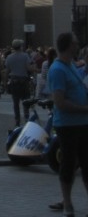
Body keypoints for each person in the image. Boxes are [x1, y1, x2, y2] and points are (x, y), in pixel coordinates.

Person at [47, 32, 88, 217]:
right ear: (68, 46)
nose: (78, 45)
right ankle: (68, 204)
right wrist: (84, 108)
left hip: (83, 123)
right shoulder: (57, 70)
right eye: (75, 42)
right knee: (68, 164)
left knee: (86, 164)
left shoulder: (71, 65)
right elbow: (60, 102)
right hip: (68, 125)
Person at [5, 39, 36, 127]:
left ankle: (17, 120)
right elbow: (28, 68)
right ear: (21, 47)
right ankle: (26, 117)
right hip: (23, 81)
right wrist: (36, 69)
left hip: (14, 81)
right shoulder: (25, 56)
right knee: (26, 101)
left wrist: (5, 83)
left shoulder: (9, 57)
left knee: (16, 103)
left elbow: (7, 71)